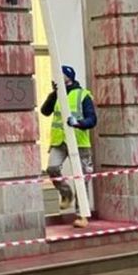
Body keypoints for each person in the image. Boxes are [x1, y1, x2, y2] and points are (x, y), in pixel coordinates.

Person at [40, 65, 97, 228]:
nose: (56, 76)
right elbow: (45, 111)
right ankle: (66, 194)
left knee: (82, 179)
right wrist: (54, 93)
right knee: (52, 168)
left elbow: (92, 119)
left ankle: (82, 215)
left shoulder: (83, 95)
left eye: (60, 74)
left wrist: (78, 123)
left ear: (69, 77)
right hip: (60, 141)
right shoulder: (58, 94)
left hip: (79, 142)